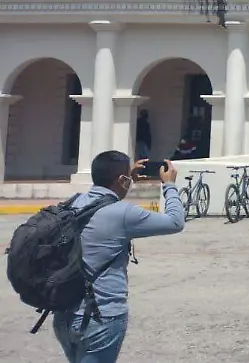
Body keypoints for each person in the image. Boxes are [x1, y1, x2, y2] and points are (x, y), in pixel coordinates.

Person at [53, 150, 185, 362]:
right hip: (101, 317)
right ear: (122, 179)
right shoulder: (123, 213)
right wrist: (169, 185)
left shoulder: (74, 202)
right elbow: (175, 222)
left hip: (64, 315)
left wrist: (124, 180)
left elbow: (104, 200)